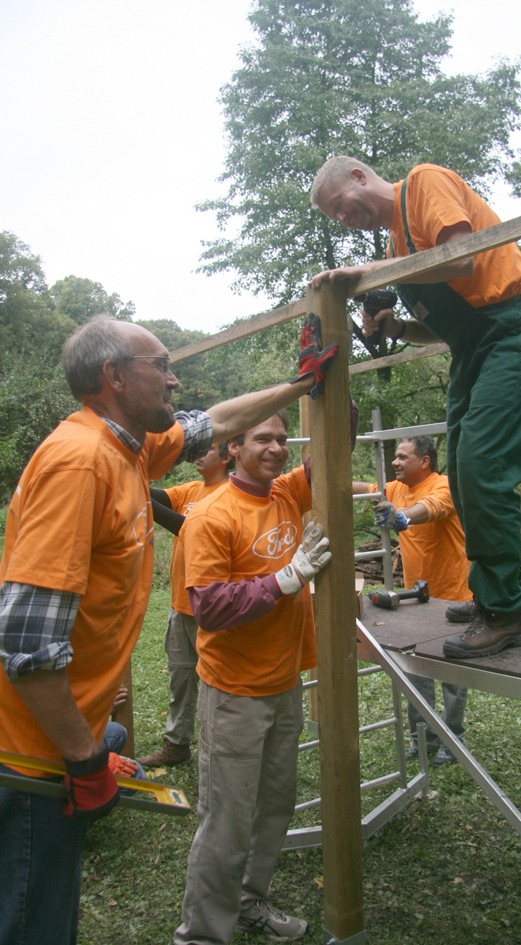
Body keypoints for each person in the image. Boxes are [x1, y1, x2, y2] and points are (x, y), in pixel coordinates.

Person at [0, 313, 339, 945]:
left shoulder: (130, 448)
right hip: (30, 750)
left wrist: (301, 386)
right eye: (163, 366)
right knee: (31, 920)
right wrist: (85, 755)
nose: (175, 380)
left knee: (46, 914)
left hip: (60, 736)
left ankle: (243, 907)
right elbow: (24, 637)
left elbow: (220, 419)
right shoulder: (79, 462)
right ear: (115, 377)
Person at [310, 156, 521, 659]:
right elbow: (443, 330)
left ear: (359, 177)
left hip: (511, 329)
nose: (342, 219)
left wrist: (368, 273)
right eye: (333, 217)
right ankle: (488, 596)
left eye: (340, 206)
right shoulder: (398, 246)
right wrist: (393, 326)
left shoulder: (422, 183)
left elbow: (461, 256)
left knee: (484, 468)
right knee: (462, 476)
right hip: (472, 349)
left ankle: (507, 613)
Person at [173, 407, 337, 945]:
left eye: (283, 439)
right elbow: (209, 607)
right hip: (235, 691)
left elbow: (340, 430)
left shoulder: (287, 493)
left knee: (274, 807)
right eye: (263, 438)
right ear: (232, 448)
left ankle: (249, 902)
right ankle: (201, 934)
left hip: (284, 682)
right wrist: (285, 579)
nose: (276, 447)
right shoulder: (212, 514)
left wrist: (327, 370)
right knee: (226, 820)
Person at [354, 434, 472, 765]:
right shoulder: (395, 488)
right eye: (395, 457)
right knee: (416, 672)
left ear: (425, 462)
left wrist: (403, 516)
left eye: (403, 457)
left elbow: (430, 509)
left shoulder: (444, 485)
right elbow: (361, 488)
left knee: (452, 676)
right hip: (415, 597)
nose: (395, 462)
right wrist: (315, 473)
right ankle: (424, 740)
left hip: (453, 598)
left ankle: (454, 741)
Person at [138, 443, 232, 768]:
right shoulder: (192, 490)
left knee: (216, 685)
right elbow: (149, 496)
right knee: (181, 679)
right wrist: (129, 474)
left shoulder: (228, 494)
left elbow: (188, 529)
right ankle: (177, 745)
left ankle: (217, 750)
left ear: (227, 455)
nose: (198, 455)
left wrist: (138, 494)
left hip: (211, 612)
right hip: (180, 605)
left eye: (207, 449)